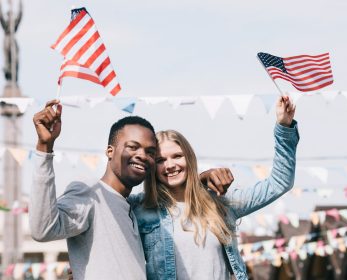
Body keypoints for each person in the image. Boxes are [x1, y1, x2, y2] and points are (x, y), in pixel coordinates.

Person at [30, 99, 231, 280]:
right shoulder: (91, 193)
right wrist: (45, 148)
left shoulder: (133, 208)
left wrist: (197, 181)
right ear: (110, 151)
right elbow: (44, 229)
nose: (142, 155)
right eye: (133, 147)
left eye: (150, 152)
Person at [131, 96, 299, 280]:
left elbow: (279, 183)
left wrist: (284, 127)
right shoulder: (140, 209)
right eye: (160, 160)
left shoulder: (220, 204)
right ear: (152, 167)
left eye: (177, 156)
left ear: (189, 159)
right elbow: (106, 198)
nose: (170, 165)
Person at [0, 0, 22, 82]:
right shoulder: (5, 25)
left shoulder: (14, 23)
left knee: (15, 59)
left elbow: (20, 15)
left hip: (13, 40)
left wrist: (20, 4)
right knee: (7, 60)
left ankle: (14, 76)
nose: (10, 17)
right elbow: (1, 16)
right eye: (9, 15)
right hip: (7, 40)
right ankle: (8, 74)